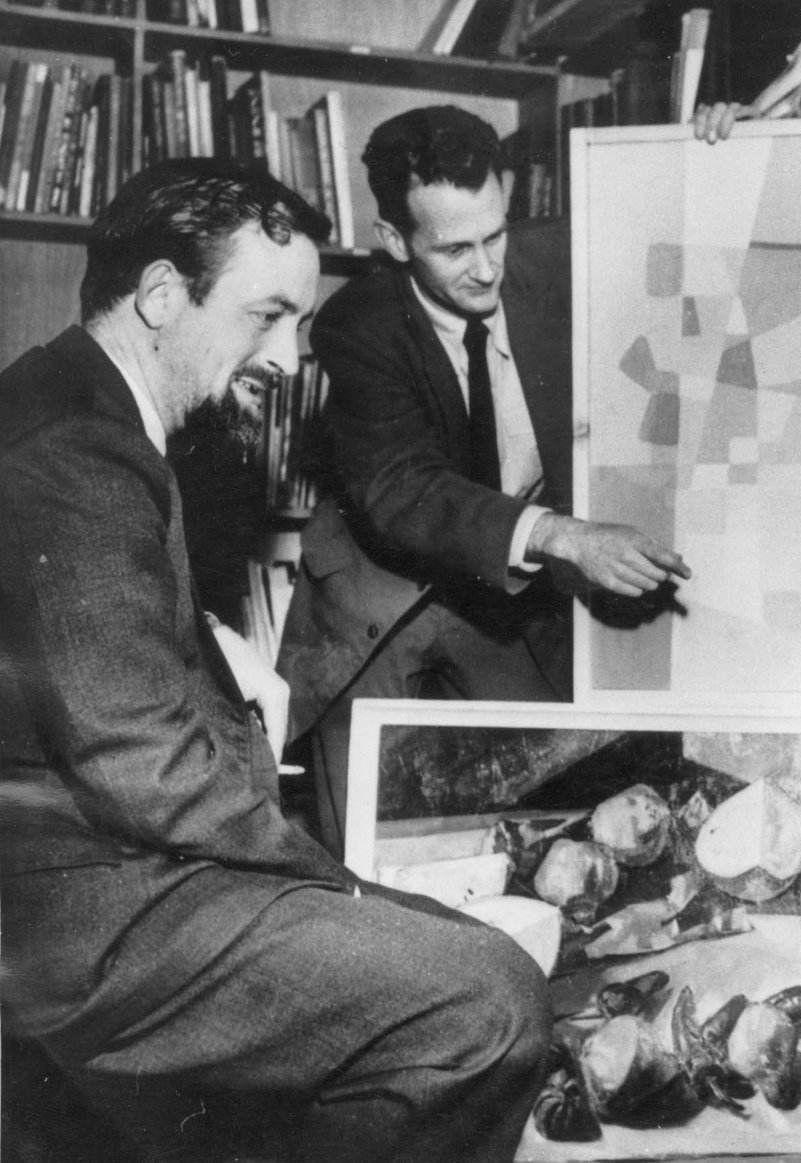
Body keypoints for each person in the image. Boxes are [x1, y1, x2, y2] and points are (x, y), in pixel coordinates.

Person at [0, 157, 550, 1163]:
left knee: (442, 949)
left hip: (86, 883)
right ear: (161, 296)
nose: (290, 358)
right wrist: (335, 881)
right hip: (83, 924)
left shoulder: (59, 397)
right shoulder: (83, 453)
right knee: (489, 997)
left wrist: (210, 637)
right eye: (267, 317)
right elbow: (147, 767)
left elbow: (79, 621)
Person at [276, 105, 693, 855]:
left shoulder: (559, 259)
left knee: (542, 822)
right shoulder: (356, 325)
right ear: (395, 241)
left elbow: (686, 216)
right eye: (454, 248)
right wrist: (563, 535)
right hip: (379, 600)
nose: (486, 268)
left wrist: (732, 127)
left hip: (508, 597)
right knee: (366, 854)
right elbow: (403, 487)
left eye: (495, 235)